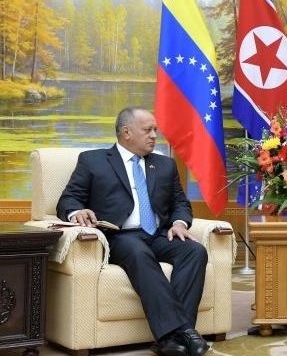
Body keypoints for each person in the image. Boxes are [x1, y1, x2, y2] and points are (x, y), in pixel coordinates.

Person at [56, 107, 210, 356]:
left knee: (194, 251)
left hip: (158, 235)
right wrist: (77, 212)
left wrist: (180, 223)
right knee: (138, 252)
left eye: (155, 130)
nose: (154, 136)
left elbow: (180, 203)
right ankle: (185, 331)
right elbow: (68, 199)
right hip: (119, 237)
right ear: (126, 132)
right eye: (147, 130)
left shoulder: (164, 165)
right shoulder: (93, 160)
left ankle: (170, 340)